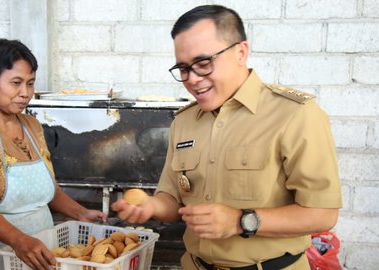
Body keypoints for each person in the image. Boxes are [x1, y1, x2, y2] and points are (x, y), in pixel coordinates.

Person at [112, 5, 342, 270]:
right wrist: (152, 206)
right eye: (183, 68)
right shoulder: (184, 122)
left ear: (241, 52)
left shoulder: (295, 115)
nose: (193, 79)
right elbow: (173, 200)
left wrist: (240, 221)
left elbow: (323, 214)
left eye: (203, 64)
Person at [0, 38, 106, 270]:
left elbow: (48, 191)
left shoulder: (31, 126)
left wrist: (80, 213)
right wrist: (19, 241)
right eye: (16, 83)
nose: (26, 93)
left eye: (30, 84)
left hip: (38, 250)